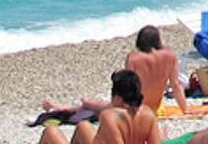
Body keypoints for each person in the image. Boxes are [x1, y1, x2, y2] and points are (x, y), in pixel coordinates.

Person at [15, 68, 163, 144]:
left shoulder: (109, 117)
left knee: (50, 131)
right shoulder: (148, 115)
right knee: (83, 126)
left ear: (117, 97)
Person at [44, 25, 189, 118]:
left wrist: (116, 106)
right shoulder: (170, 55)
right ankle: (59, 107)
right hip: (154, 107)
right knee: (95, 104)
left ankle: (59, 108)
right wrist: (185, 110)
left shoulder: (134, 58)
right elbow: (176, 86)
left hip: (134, 108)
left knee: (87, 103)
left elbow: (126, 88)